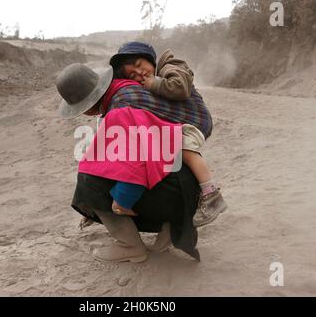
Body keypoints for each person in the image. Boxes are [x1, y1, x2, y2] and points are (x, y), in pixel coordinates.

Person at [57, 63, 207, 262]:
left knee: (88, 179)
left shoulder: (119, 109)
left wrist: (111, 203)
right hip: (186, 183)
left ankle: (130, 246)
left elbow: (134, 166)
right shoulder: (126, 89)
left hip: (175, 189)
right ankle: (169, 227)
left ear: (86, 105)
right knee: (104, 166)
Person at [109, 41, 227, 227]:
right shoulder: (151, 81)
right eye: (133, 74)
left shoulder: (170, 65)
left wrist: (153, 83)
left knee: (184, 148)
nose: (139, 73)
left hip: (196, 120)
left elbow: (179, 87)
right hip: (181, 123)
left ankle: (212, 195)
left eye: (140, 65)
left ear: (150, 58)